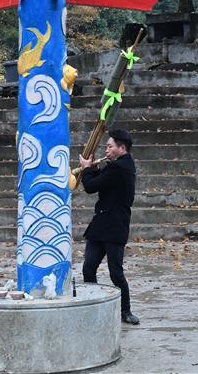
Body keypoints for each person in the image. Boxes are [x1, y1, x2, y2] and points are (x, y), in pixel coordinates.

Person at [78, 129, 139, 325]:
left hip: (115, 227)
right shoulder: (116, 166)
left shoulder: (121, 167)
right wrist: (93, 170)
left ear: (122, 149)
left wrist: (86, 168)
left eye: (110, 146)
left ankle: (126, 311)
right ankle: (93, 307)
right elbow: (101, 183)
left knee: (116, 273)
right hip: (101, 225)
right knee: (88, 268)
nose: (106, 150)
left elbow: (90, 187)